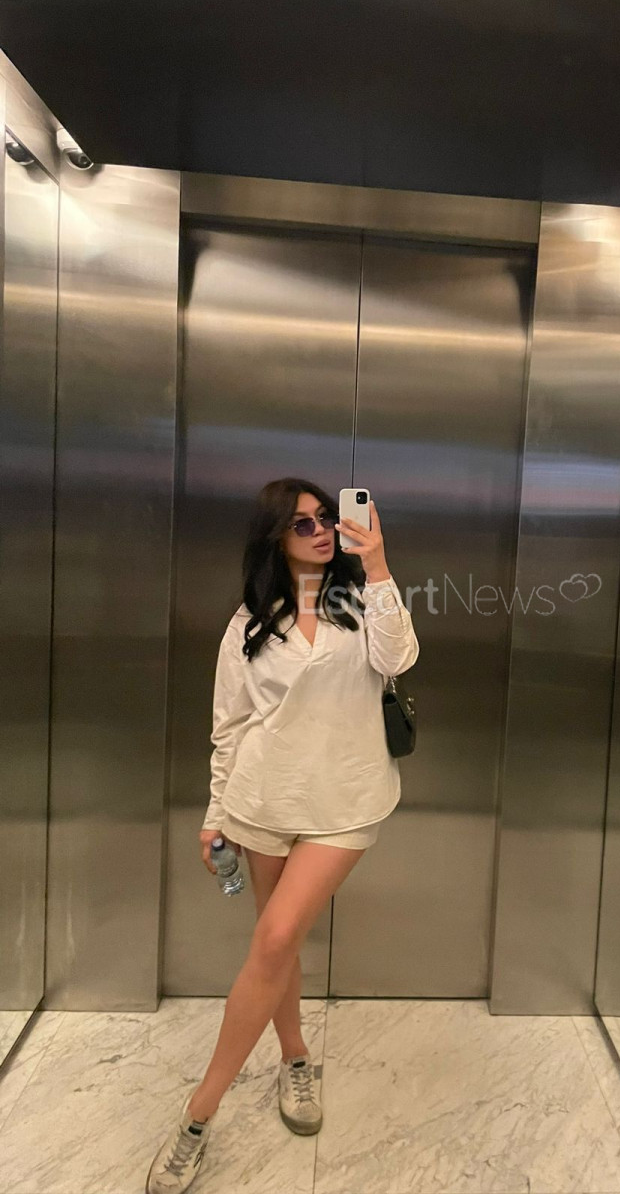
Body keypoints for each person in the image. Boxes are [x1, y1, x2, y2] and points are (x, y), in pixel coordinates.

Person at [145, 477, 419, 1194]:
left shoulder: (359, 601)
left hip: (346, 802)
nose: (322, 531)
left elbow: (399, 660)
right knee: (279, 944)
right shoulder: (249, 623)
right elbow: (230, 726)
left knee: (272, 939)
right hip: (262, 802)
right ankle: (295, 1059)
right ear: (274, 537)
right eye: (303, 524)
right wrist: (215, 816)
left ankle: (198, 1115)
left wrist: (377, 563)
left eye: (326, 518)